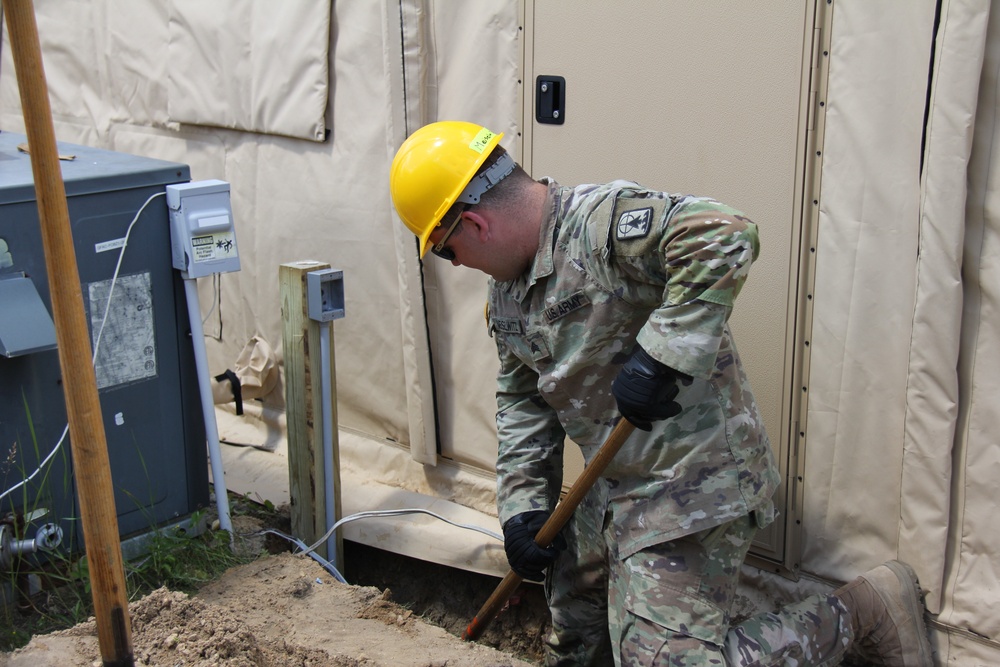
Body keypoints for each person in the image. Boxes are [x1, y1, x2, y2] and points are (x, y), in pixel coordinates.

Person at [389, 120, 933, 667]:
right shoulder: (507, 294)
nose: (456, 265)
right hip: (611, 485)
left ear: (473, 223)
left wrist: (662, 353)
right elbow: (522, 398)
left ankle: (861, 611)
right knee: (574, 606)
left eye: (445, 251)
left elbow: (725, 233)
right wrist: (523, 509)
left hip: (694, 483)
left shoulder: (598, 226)